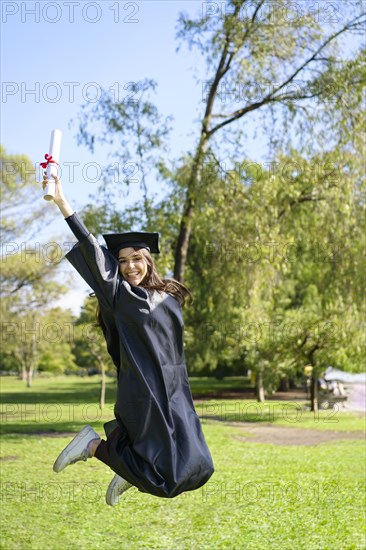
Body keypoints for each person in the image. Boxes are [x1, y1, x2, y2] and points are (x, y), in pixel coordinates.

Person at [43, 174, 214, 505]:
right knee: (167, 478)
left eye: (136, 258)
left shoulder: (168, 294)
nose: (130, 266)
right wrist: (63, 202)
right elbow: (93, 250)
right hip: (144, 390)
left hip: (176, 390)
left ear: (148, 260)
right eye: (122, 261)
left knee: (198, 467)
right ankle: (93, 446)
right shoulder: (119, 295)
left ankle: (126, 468)